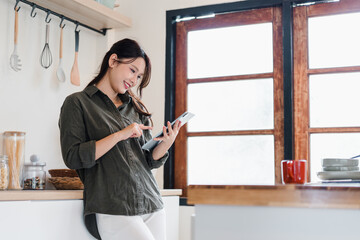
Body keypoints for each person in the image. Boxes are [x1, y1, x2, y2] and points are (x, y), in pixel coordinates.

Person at [58, 38, 181, 240]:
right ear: (113, 61)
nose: (135, 80)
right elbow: (73, 157)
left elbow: (148, 160)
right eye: (132, 70)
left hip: (151, 202)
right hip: (113, 206)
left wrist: (166, 143)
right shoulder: (77, 103)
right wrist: (120, 135)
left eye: (139, 76)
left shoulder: (136, 108)